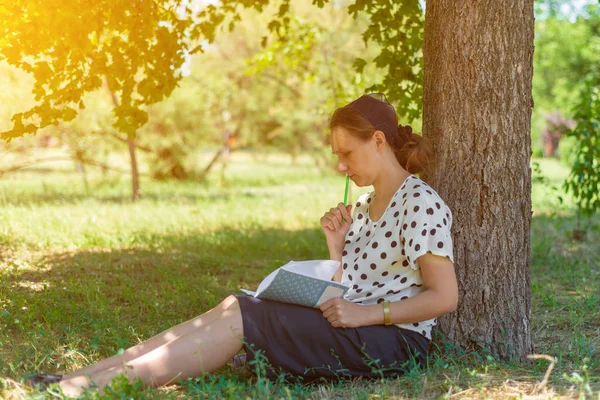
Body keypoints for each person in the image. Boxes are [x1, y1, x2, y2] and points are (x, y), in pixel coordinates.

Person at [29, 93, 458, 397]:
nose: (341, 166)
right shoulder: (364, 204)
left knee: (248, 318)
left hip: (394, 343)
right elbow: (353, 286)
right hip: (354, 326)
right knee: (237, 303)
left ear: (378, 141)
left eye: (346, 153)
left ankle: (94, 388)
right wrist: (336, 246)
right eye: (336, 156)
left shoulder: (418, 201)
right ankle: (84, 374)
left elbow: (445, 296)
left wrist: (368, 314)